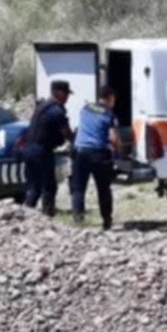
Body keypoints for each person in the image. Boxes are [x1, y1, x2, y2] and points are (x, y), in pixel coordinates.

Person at [70, 85, 122, 230]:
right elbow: (113, 138)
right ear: (110, 98)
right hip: (98, 154)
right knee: (103, 189)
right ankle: (107, 221)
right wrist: (119, 153)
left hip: (80, 152)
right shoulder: (109, 114)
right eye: (114, 100)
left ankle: (78, 221)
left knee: (78, 188)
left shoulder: (85, 108)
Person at [23, 80, 73, 217]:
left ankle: (25, 216)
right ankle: (47, 218)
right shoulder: (56, 110)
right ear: (58, 93)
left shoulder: (42, 107)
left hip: (29, 149)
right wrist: (75, 141)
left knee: (34, 188)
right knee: (49, 187)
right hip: (41, 151)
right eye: (66, 94)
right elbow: (67, 133)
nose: (67, 97)